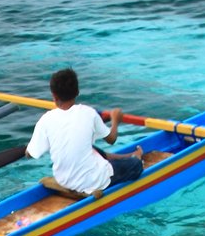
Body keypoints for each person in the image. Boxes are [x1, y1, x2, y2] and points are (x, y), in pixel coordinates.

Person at [24, 67, 147, 197]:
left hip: (64, 181)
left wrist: (29, 149)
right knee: (135, 165)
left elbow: (29, 154)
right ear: (77, 92)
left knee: (89, 147)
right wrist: (115, 119)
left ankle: (126, 156)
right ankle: (135, 158)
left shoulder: (45, 120)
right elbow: (111, 139)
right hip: (93, 181)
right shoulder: (89, 113)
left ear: (53, 95)